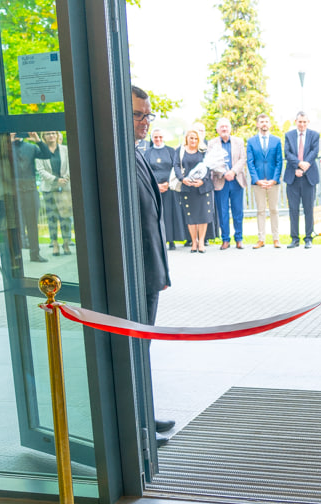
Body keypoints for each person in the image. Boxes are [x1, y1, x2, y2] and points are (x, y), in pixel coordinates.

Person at [131, 85, 174, 444]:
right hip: (133, 276)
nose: (146, 121)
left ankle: (144, 414)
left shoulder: (137, 152)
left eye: (148, 115)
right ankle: (136, 428)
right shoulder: (117, 156)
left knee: (143, 347)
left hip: (148, 272)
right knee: (133, 351)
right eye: (138, 115)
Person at [10, 132, 52, 262]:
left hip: (30, 191)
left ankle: (35, 254)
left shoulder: (31, 147)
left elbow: (47, 155)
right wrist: (9, 142)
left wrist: (38, 140)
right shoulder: (6, 147)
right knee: (15, 224)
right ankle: (16, 256)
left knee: (33, 223)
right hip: (13, 192)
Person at [208, 118, 248, 250]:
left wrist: (233, 172)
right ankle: (225, 239)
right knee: (222, 211)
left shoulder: (239, 141)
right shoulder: (212, 143)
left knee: (238, 211)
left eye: (226, 127)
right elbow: (210, 162)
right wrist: (224, 173)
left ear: (230, 129)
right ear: (217, 130)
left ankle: (239, 239)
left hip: (236, 180)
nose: (224, 129)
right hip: (220, 181)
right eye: (221, 127)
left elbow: (243, 159)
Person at [144, 128, 187, 250]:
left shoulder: (170, 151)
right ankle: (159, 241)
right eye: (155, 137)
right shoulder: (148, 153)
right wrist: (156, 185)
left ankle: (171, 240)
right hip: (154, 188)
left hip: (169, 187)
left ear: (163, 138)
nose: (158, 139)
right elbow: (146, 171)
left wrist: (168, 183)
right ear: (152, 138)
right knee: (157, 215)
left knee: (169, 214)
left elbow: (175, 167)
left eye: (160, 137)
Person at [173, 127, 214, 253]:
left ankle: (201, 242)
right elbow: (176, 165)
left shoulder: (203, 151)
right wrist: (182, 179)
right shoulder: (180, 150)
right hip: (187, 187)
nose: (193, 140)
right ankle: (194, 242)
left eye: (196, 138)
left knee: (203, 215)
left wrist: (202, 181)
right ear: (187, 138)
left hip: (202, 188)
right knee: (190, 216)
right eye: (191, 138)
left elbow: (209, 167)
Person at [283, 112, 320, 249]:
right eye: (300, 122)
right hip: (293, 177)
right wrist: (298, 165)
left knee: (308, 209)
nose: (302, 124)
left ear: (308, 122)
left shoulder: (314, 135)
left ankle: (308, 238)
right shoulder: (289, 135)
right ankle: (294, 238)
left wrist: (304, 167)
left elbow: (314, 152)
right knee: (293, 209)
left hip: (309, 178)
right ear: (296, 121)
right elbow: (287, 153)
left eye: (305, 122)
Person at [246, 113, 283, 248]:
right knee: (260, 210)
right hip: (258, 182)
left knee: (274, 209)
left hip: (273, 181)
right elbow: (250, 162)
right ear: (257, 124)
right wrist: (257, 180)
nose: (264, 124)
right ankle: (261, 239)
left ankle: (276, 239)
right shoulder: (251, 141)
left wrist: (274, 179)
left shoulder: (277, 141)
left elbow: (279, 162)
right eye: (261, 121)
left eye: (266, 121)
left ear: (270, 124)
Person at [36, 131, 73, 257]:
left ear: (57, 135)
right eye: (47, 134)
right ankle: (55, 244)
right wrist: (56, 180)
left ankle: (66, 243)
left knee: (65, 217)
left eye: (53, 133)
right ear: (43, 137)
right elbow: (40, 170)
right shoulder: (40, 151)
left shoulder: (65, 149)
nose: (51, 135)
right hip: (49, 188)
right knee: (52, 217)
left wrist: (65, 179)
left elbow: (70, 166)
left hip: (64, 187)